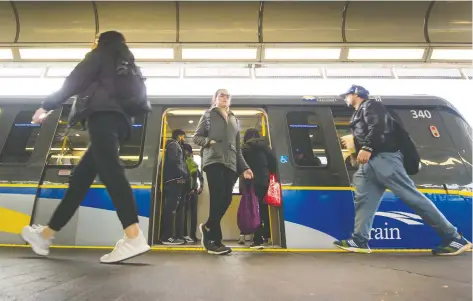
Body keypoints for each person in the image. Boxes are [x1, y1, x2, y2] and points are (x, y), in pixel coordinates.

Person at [21, 30, 150, 263]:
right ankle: (46, 236)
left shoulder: (100, 55)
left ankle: (133, 236)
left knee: (111, 171)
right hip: (121, 124)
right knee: (80, 180)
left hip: (102, 116)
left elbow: (74, 80)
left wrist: (46, 105)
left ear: (102, 41)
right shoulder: (128, 63)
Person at [333, 84, 472, 255]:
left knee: (411, 197)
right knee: (364, 200)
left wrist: (367, 147)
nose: (345, 98)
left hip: (384, 158)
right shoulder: (359, 111)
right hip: (371, 163)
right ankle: (359, 240)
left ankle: (455, 237)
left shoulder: (371, 105)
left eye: (346, 95)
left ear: (356, 94)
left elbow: (379, 126)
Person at [193, 89, 253, 255]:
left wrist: (245, 167)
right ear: (215, 98)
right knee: (217, 198)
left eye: (227, 96)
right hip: (214, 160)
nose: (225, 98)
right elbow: (196, 137)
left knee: (226, 199)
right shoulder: (208, 115)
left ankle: (208, 227)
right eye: (221, 95)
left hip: (231, 163)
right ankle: (215, 241)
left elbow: (238, 148)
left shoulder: (235, 119)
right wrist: (208, 141)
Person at [239, 128, 277, 249]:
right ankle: (266, 235)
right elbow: (273, 162)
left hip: (251, 183)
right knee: (263, 208)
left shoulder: (245, 148)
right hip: (264, 182)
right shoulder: (265, 147)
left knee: (253, 209)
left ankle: (257, 239)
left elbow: (240, 165)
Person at [161, 129, 188, 245]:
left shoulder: (175, 146)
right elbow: (175, 161)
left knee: (172, 209)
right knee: (170, 209)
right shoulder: (174, 145)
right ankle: (166, 237)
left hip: (174, 180)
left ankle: (169, 236)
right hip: (173, 180)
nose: (184, 139)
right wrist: (184, 173)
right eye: (184, 137)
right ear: (179, 136)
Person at [182, 143, 204, 243]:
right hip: (193, 191)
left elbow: (197, 177)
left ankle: (185, 235)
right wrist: (200, 187)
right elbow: (200, 177)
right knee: (192, 215)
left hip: (187, 191)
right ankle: (191, 235)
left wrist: (198, 187)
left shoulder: (185, 162)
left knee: (184, 214)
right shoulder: (192, 163)